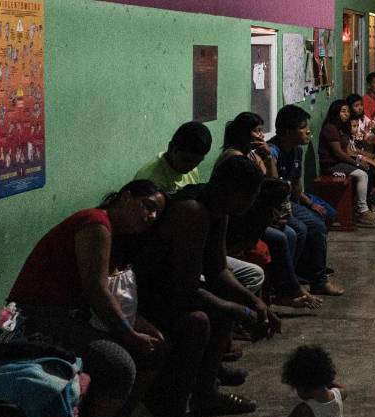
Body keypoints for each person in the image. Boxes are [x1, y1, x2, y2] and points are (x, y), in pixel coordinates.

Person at [7, 180, 166, 417]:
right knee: (120, 365)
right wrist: (129, 335)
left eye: (156, 214)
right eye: (148, 206)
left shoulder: (113, 234)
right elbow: (96, 290)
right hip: (40, 316)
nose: (150, 217)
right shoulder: (95, 224)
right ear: (126, 197)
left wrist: (138, 323)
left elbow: (111, 293)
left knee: (153, 352)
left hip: (72, 313)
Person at [134, 156, 281, 417]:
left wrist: (253, 302)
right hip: (143, 295)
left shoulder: (218, 210)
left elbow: (217, 270)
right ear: (232, 190)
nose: (251, 203)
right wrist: (240, 312)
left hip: (168, 290)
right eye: (249, 195)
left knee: (223, 306)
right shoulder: (192, 211)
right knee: (198, 321)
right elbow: (185, 290)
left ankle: (205, 394)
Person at [135, 120, 266, 298]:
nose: (190, 166)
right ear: (172, 148)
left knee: (253, 273)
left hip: (198, 242)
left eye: (197, 162)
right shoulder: (153, 180)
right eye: (186, 160)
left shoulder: (195, 179)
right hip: (172, 251)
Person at [217, 112, 311, 306]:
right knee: (282, 236)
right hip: (236, 217)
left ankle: (284, 285)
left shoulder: (252, 154)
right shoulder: (234, 158)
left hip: (254, 212)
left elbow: (274, 186)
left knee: (294, 232)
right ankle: (288, 289)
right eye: (257, 131)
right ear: (244, 134)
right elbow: (250, 197)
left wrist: (268, 159)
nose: (261, 135)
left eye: (262, 130)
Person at [269, 104, 344, 297]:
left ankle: (309, 267)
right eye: (303, 127)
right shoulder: (272, 152)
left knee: (328, 213)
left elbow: (296, 185)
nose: (308, 131)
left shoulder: (297, 151)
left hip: (293, 200)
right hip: (276, 206)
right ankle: (318, 280)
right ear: (288, 132)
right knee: (313, 225)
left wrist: (309, 204)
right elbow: (274, 189)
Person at [318, 100, 375, 228]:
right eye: (343, 111)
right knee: (362, 174)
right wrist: (357, 163)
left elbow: (348, 149)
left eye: (348, 111)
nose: (347, 114)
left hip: (340, 162)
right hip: (331, 166)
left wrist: (360, 159)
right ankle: (362, 210)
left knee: (369, 170)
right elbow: (339, 153)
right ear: (335, 112)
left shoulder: (340, 127)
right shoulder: (330, 128)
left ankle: (362, 206)